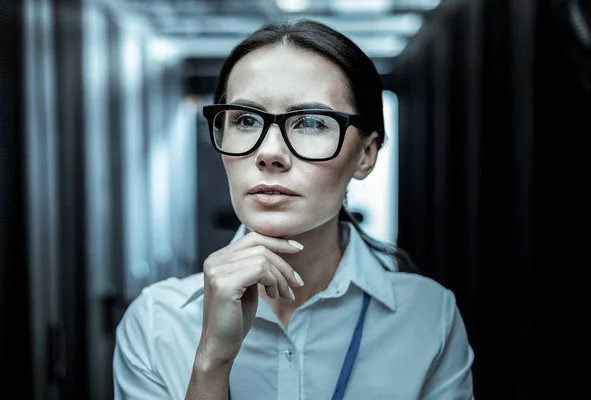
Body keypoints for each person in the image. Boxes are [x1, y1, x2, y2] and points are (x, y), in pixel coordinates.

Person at [112, 19, 475, 400]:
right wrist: (212, 360)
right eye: (246, 120)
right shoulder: (157, 322)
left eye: (311, 122)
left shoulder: (428, 317)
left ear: (365, 155)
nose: (269, 153)